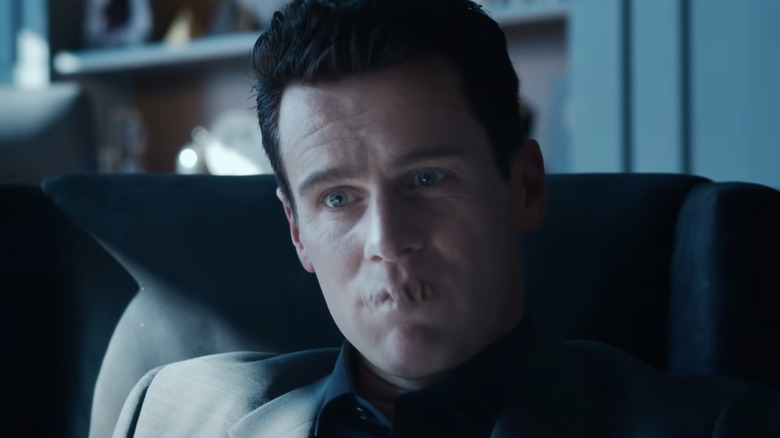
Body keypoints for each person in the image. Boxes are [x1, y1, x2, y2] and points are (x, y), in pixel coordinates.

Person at [112, 0, 780, 437]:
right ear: (297, 233)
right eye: (338, 199)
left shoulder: (719, 428)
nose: (388, 241)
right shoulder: (170, 416)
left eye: (427, 180)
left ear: (525, 187)